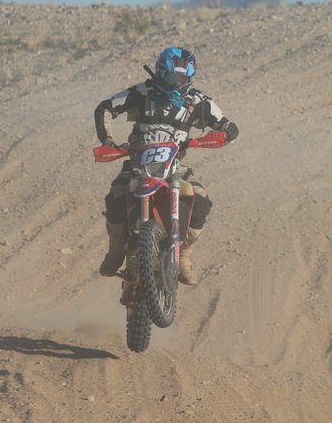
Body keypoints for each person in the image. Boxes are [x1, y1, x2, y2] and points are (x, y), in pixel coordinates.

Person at [94, 46, 239, 285]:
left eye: (182, 78)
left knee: (201, 200)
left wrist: (219, 136)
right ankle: (116, 250)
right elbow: (105, 108)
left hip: (175, 166)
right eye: (172, 77)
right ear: (161, 72)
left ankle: (184, 254)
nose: (177, 83)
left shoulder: (198, 101)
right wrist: (107, 141)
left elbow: (229, 127)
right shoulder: (141, 92)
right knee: (116, 194)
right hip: (138, 162)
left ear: (190, 77)